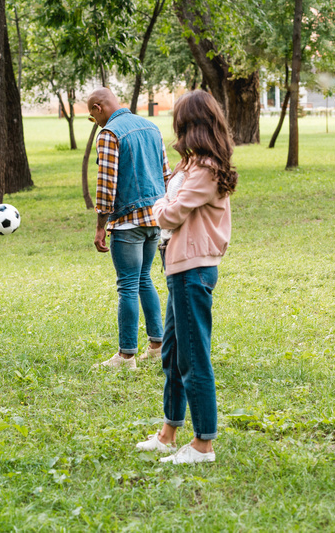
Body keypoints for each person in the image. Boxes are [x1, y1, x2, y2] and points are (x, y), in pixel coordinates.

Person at [137, 90, 236, 465]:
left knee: (194, 357)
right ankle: (168, 432)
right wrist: (164, 204)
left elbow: (167, 215)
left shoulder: (208, 169)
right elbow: (170, 207)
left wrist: (159, 205)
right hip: (178, 266)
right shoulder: (190, 165)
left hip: (193, 269)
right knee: (173, 352)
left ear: (190, 125)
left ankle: (203, 445)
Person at [88, 88, 171, 370]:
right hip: (155, 219)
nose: (95, 122)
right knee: (144, 279)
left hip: (127, 221)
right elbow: (166, 174)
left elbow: (106, 185)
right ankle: (157, 346)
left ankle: (126, 356)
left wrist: (102, 226)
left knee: (127, 285)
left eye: (93, 116)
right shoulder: (151, 126)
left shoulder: (110, 134)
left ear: (99, 107)